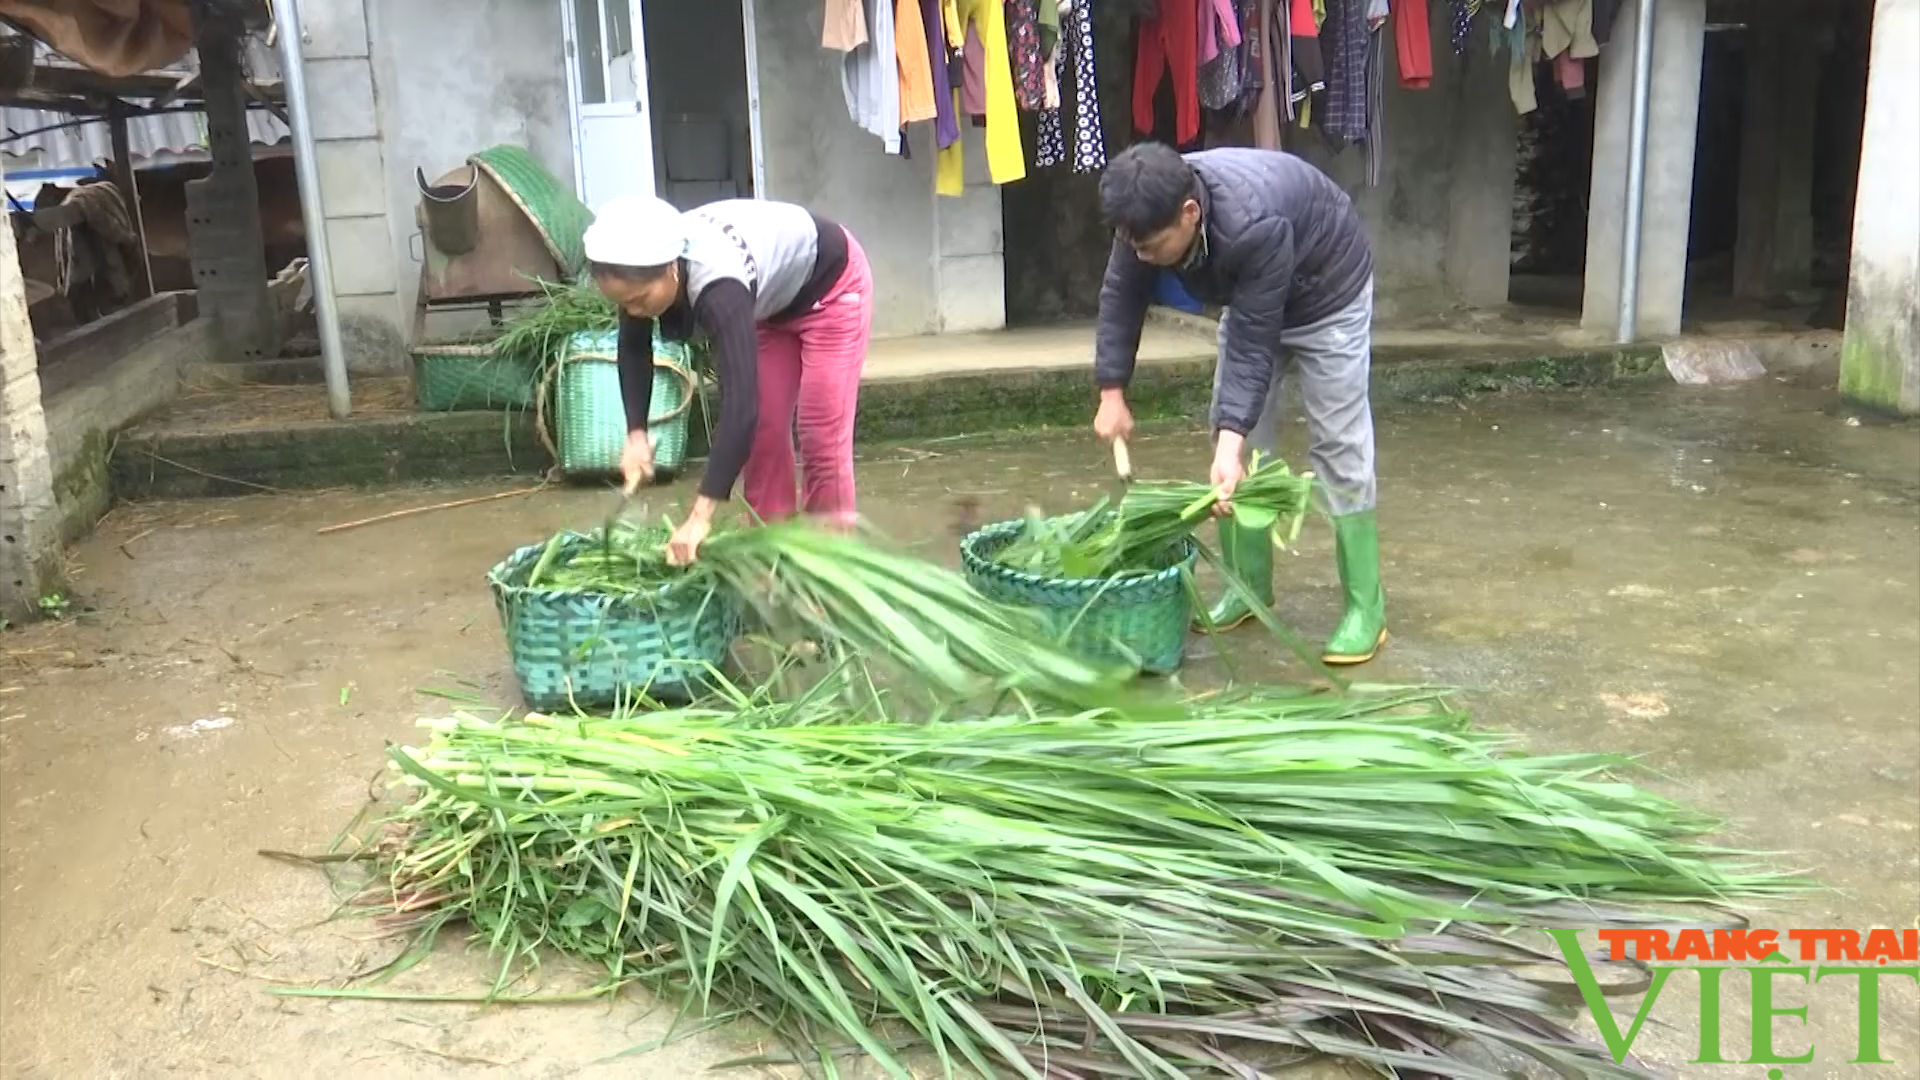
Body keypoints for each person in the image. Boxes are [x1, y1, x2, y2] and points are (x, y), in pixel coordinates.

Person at [1089, 142, 1386, 665]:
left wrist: (1232, 445)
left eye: (1153, 247)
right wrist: (1112, 392)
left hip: (1327, 294)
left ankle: (1367, 609)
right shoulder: (1143, 216)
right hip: (1258, 294)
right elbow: (1121, 294)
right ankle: (1248, 589)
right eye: (1132, 245)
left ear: (1190, 213)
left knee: (1339, 444)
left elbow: (1252, 339)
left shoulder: (1252, 222)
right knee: (1234, 445)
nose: (1143, 257)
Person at [582, 195, 873, 566]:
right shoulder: (644, 264)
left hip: (831, 289)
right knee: (766, 433)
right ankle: (770, 556)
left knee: (820, 436)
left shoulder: (718, 288)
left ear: (672, 266)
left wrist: (699, 518)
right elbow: (635, 346)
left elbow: (740, 407)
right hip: (771, 305)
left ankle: (831, 562)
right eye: (625, 305)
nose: (635, 312)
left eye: (640, 300)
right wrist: (635, 434)